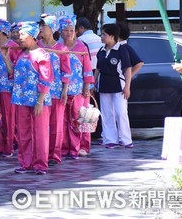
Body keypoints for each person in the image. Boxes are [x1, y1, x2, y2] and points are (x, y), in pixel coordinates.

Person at [12, 21, 53, 175]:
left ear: (33, 37)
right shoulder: (21, 53)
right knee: (23, 132)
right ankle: (25, 163)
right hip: (21, 99)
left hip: (38, 100)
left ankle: (41, 164)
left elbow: (46, 79)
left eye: (23, 34)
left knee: (40, 132)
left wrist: (40, 101)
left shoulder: (42, 55)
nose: (19, 37)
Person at [58, 15, 94, 159]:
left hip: (79, 90)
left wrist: (87, 86)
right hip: (61, 90)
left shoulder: (81, 46)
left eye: (71, 30)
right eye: (65, 30)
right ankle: (65, 146)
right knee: (63, 120)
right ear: (60, 32)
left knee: (80, 118)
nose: (68, 33)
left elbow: (87, 68)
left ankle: (81, 146)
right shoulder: (59, 47)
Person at [38, 15, 70, 166]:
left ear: (52, 29)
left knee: (56, 124)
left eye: (44, 26)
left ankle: (54, 155)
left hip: (56, 91)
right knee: (41, 125)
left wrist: (65, 89)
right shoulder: (35, 46)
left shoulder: (61, 48)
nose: (41, 29)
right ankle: (41, 154)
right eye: (40, 26)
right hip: (39, 93)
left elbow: (66, 71)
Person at [96, 23, 133, 149]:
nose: (102, 37)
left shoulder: (121, 49)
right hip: (104, 85)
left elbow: (128, 69)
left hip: (118, 84)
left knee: (121, 112)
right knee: (106, 113)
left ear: (112, 36)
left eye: (104, 35)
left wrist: (127, 87)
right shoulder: (101, 51)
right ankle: (110, 139)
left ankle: (126, 139)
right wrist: (93, 83)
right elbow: (98, 69)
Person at [0, 18, 21, 158]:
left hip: (8, 88)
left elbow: (14, 70)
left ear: (1, 32)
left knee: (8, 118)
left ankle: (9, 147)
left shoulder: (13, 46)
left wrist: (6, 58)